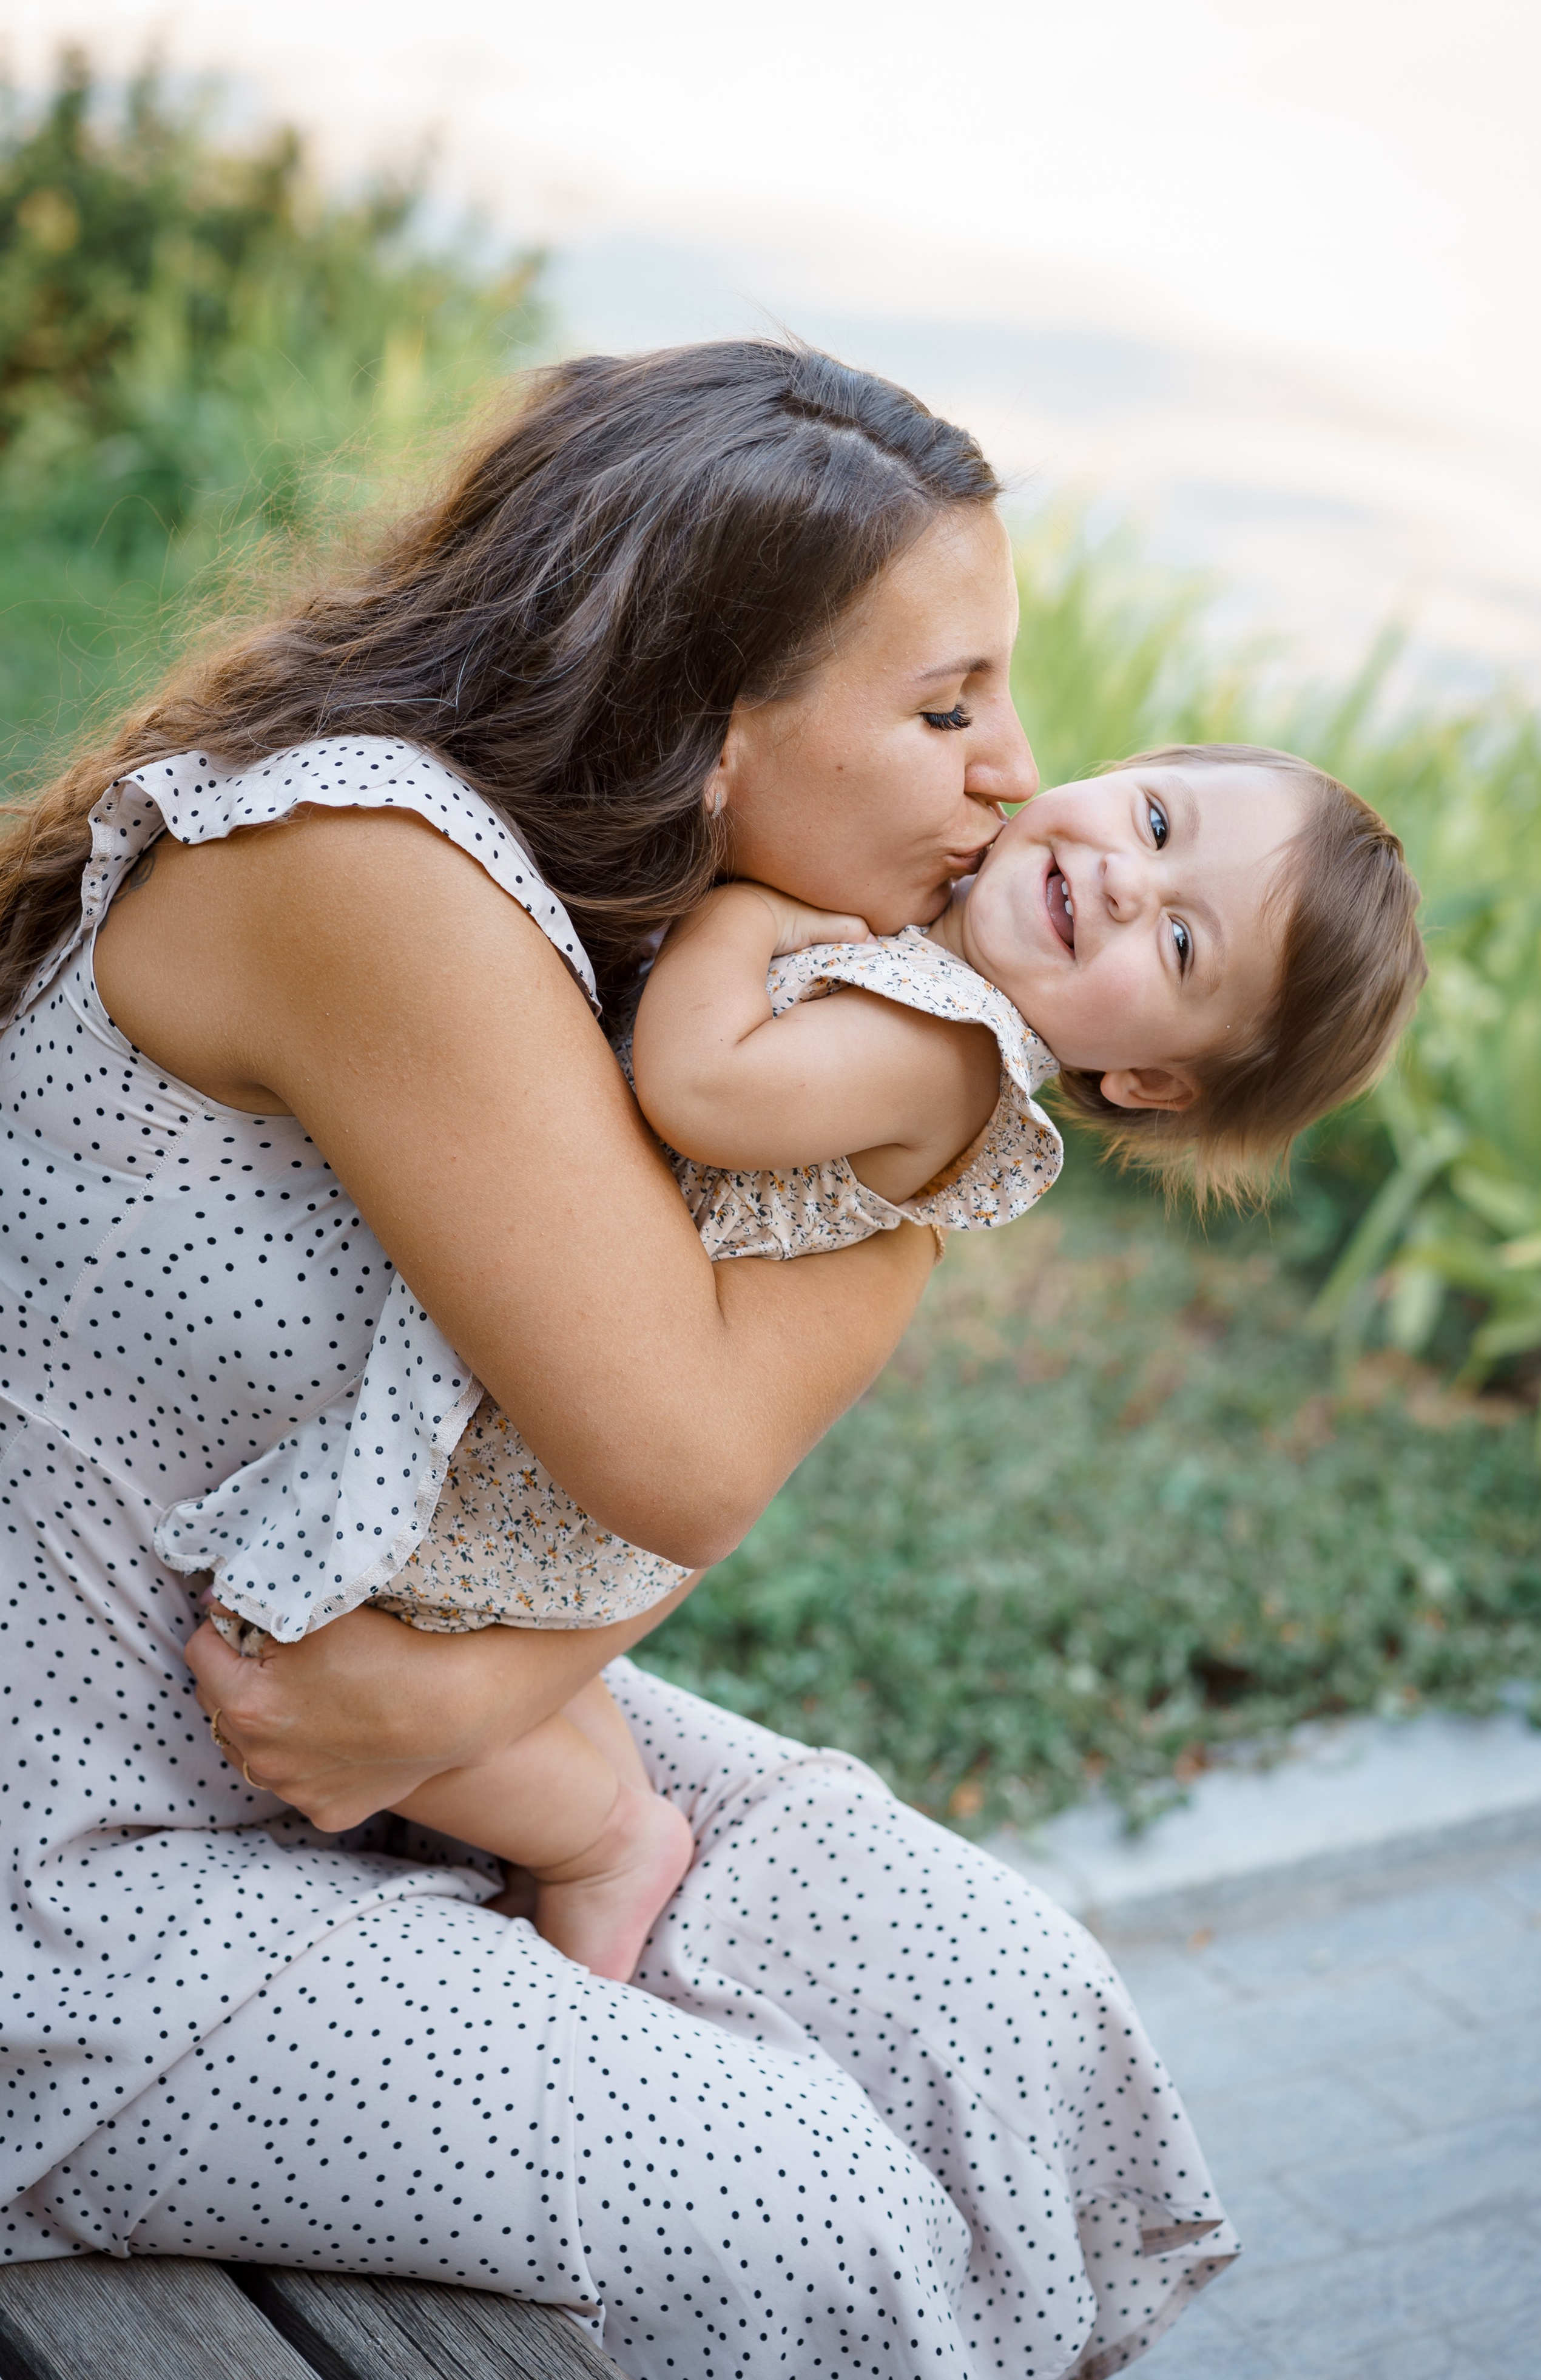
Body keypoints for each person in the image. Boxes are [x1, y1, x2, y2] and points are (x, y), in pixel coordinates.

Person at [2, 341, 1240, 2378]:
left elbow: (639, 1476)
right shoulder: (374, 875)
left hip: (350, 1706)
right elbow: (681, 1452)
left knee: (996, 1999)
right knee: (801, 2210)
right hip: (75, 1851)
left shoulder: (668, 918)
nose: (1017, 770)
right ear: (709, 727)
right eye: (945, 708)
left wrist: (481, 1689)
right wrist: (962, 1105)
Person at [197, 734, 1423, 1987]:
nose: (1125, 884)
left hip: (550, 1455)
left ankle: (604, 1839)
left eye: (1177, 943)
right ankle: (585, 1805)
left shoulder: (949, 1049)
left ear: (1150, 1078)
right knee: (507, 1680)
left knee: (336, 1645)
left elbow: (700, 1085)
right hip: (584, 1368)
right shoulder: (918, 962)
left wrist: (741, 912)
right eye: (1156, 821)